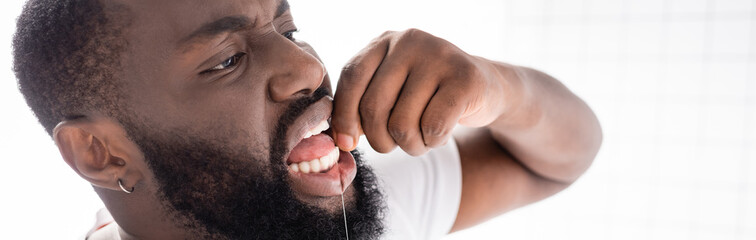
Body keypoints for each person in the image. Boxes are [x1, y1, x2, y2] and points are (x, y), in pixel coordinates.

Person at [12, 0, 602, 239]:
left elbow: (552, 162)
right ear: (101, 152)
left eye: (288, 28)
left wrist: (500, 88)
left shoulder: (330, 211)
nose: (307, 66)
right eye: (226, 61)